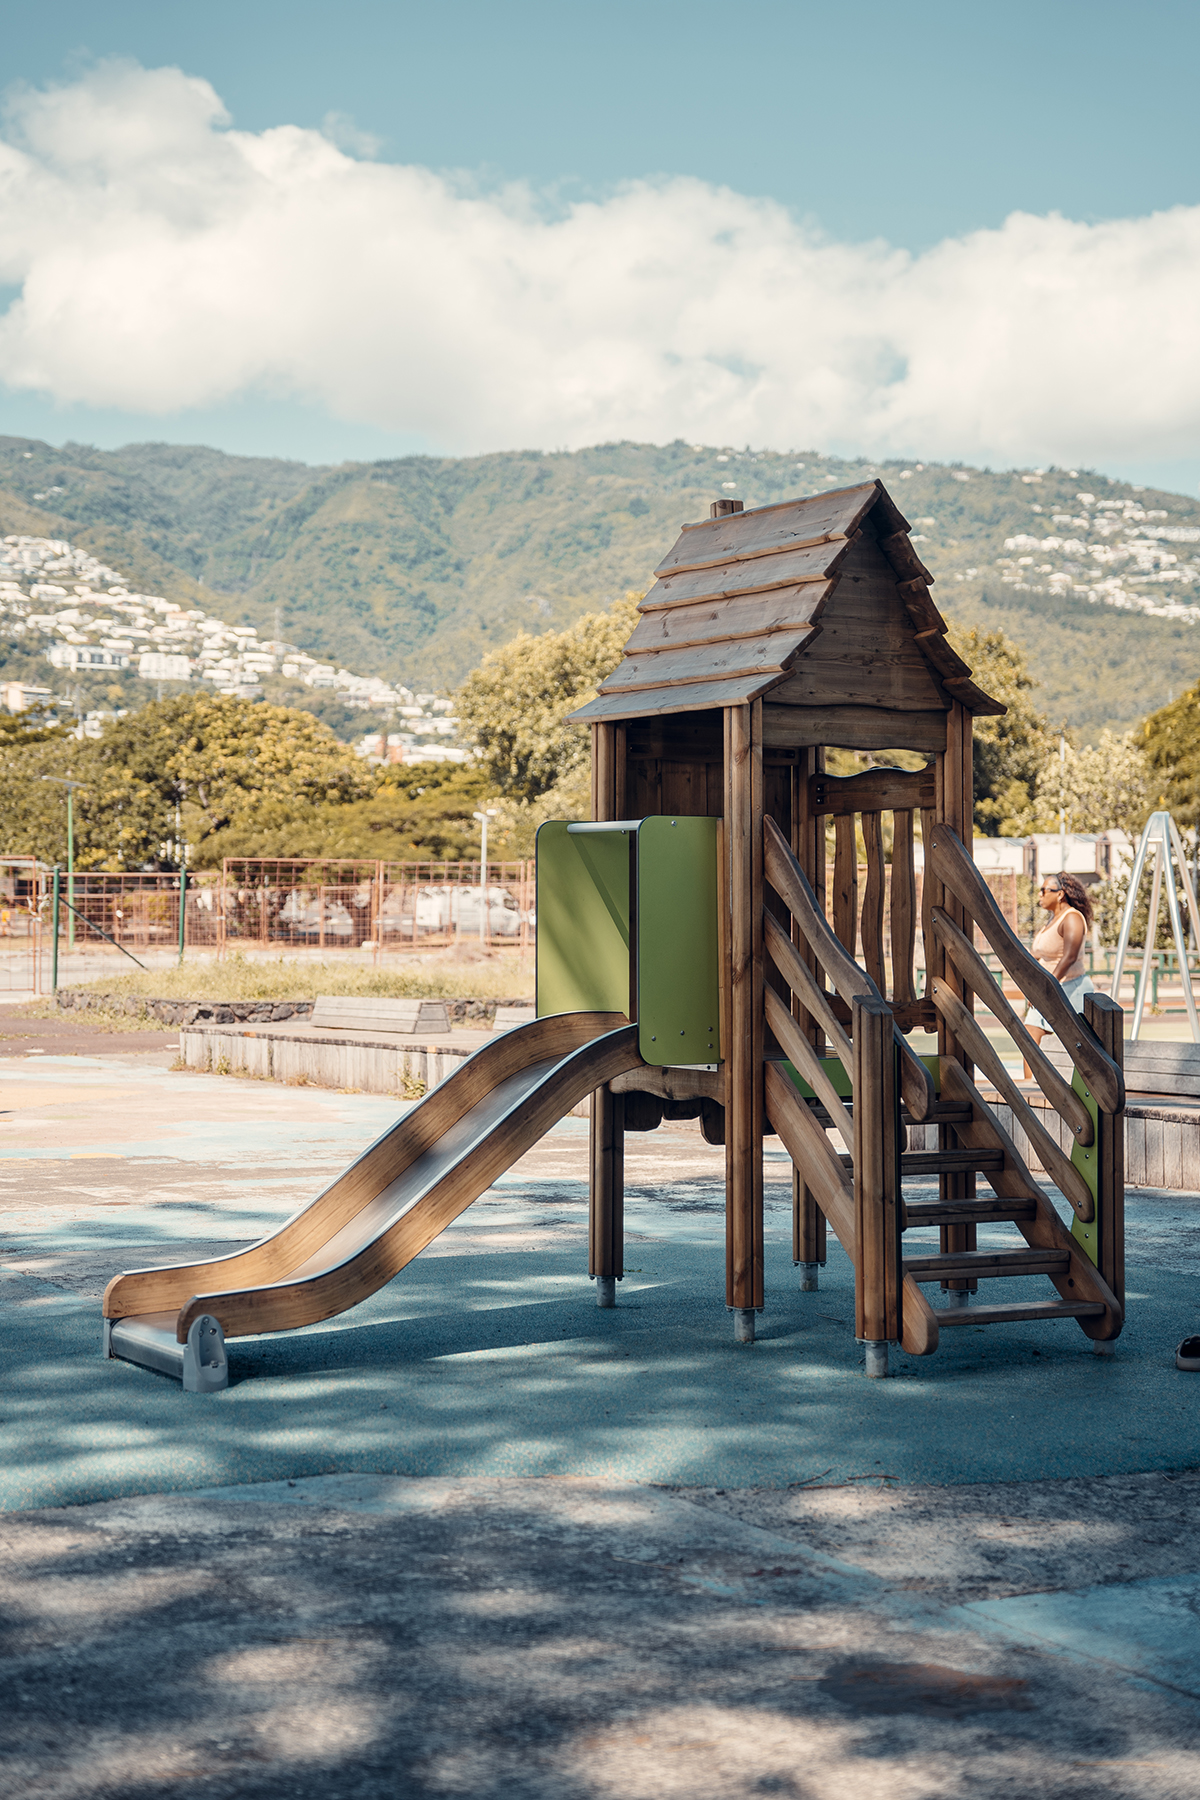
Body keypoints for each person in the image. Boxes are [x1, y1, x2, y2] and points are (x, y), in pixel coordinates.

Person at [1024, 871, 1095, 1053]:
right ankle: (1031, 1082)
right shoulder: (1051, 921)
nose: (1040, 894)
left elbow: (1069, 957)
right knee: (1030, 1037)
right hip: (1051, 988)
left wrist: (1046, 986)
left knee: (1077, 1047)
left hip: (1070, 988)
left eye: (1044, 890)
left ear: (1060, 894)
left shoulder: (1072, 918)